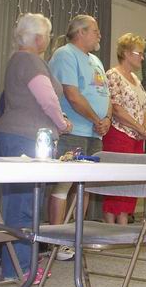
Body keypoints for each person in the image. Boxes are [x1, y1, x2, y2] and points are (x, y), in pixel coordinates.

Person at [0, 13, 72, 283]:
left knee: (18, 204)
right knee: (26, 205)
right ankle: (22, 268)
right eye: (48, 36)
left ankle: (13, 266)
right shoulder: (30, 60)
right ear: (39, 38)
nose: (48, 41)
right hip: (25, 138)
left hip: (15, 135)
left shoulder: (17, 59)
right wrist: (62, 123)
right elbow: (47, 99)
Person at [47, 15, 111, 260]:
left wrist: (106, 120)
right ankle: (58, 240)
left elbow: (105, 94)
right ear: (81, 32)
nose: (99, 35)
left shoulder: (95, 60)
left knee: (84, 186)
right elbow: (72, 94)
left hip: (95, 132)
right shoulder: (65, 54)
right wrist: (97, 119)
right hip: (73, 131)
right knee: (63, 185)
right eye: (95, 30)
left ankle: (77, 236)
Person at [102, 33, 146, 224]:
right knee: (116, 182)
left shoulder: (135, 79)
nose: (142, 57)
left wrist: (145, 127)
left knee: (131, 181)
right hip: (119, 134)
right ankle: (110, 228)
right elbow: (115, 107)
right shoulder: (113, 75)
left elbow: (143, 106)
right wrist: (139, 127)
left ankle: (123, 225)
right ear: (125, 53)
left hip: (137, 138)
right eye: (139, 53)